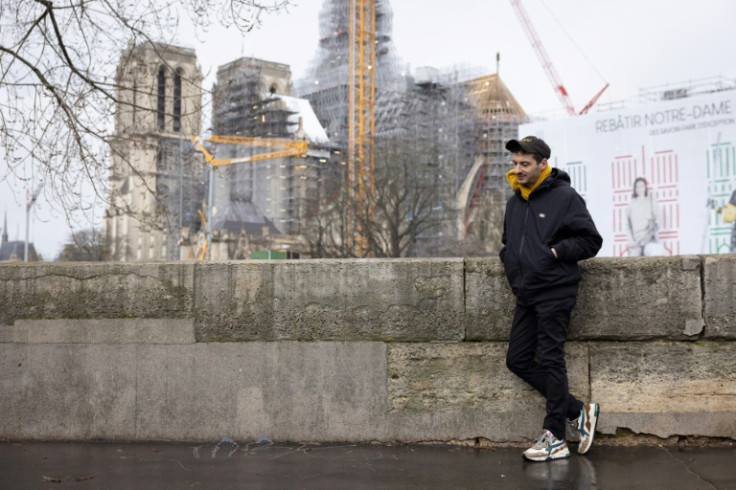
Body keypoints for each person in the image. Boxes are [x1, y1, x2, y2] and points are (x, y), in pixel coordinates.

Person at [499, 136, 603, 462]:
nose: (517, 170)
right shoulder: (515, 202)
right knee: (516, 359)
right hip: (527, 292)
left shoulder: (565, 197)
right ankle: (576, 410)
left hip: (556, 289)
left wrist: (555, 252)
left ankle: (555, 436)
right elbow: (508, 245)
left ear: (543, 163)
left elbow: (590, 240)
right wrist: (514, 271)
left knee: (550, 357)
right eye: (515, 164)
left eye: (524, 164)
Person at [625, 177, 663, 256]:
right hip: (636, 242)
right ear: (635, 189)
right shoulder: (631, 205)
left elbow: (659, 220)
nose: (640, 189)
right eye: (637, 187)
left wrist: (651, 231)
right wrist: (632, 241)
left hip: (650, 240)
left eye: (642, 186)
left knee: (654, 256)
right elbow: (627, 225)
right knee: (632, 262)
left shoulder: (652, 202)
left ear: (645, 187)